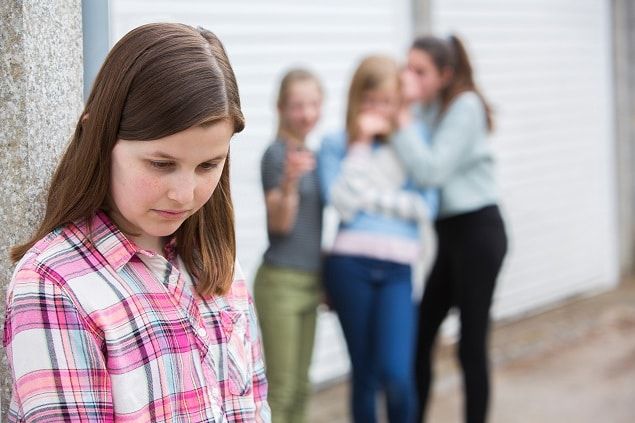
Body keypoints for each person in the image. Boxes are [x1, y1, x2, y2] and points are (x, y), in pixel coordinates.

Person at [3, 23, 270, 422]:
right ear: (98, 135)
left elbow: (255, 407)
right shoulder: (54, 284)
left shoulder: (219, 264)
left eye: (208, 165)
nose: (184, 193)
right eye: (161, 164)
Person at [393, 35, 508, 423]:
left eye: (419, 71)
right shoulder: (428, 110)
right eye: (406, 67)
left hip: (478, 232)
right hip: (449, 236)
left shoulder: (465, 106)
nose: (410, 77)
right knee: (421, 338)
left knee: (470, 346)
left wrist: (401, 119)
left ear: (445, 74)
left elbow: (431, 170)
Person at [318, 55, 437, 423]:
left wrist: (370, 199)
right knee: (365, 376)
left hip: (399, 270)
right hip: (348, 267)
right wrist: (361, 142)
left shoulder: (413, 142)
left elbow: (426, 205)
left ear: (398, 102)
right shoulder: (336, 144)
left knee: (397, 376)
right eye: (370, 101)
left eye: (386, 101)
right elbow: (341, 205)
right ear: (357, 100)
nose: (378, 110)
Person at [253, 69, 324, 423]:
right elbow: (279, 225)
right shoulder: (276, 155)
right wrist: (290, 182)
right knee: (280, 390)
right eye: (298, 105)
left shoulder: (312, 153)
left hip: (310, 282)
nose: (306, 113)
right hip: (280, 283)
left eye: (313, 104)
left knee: (301, 387)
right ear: (281, 108)